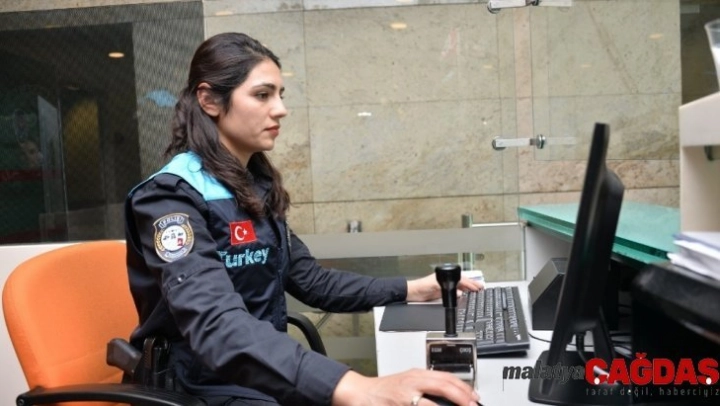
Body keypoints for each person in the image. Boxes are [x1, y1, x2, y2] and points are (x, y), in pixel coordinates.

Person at [124, 32, 484, 406]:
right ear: (209, 100)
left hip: (260, 373)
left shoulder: (253, 186)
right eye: (262, 95)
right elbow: (216, 325)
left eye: (280, 95)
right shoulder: (169, 198)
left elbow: (313, 281)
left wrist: (411, 289)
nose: (280, 109)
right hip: (198, 386)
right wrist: (355, 387)